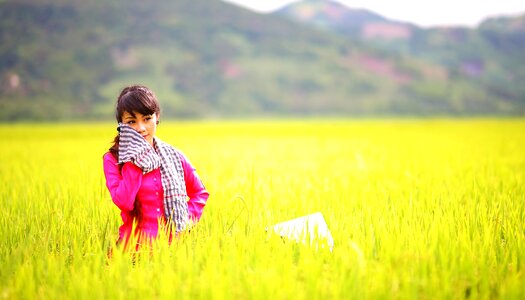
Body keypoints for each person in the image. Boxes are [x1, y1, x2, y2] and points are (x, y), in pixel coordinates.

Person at [102, 85, 209, 249]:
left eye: (146, 118)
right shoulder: (114, 159)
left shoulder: (174, 156)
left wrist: (185, 219)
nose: (140, 128)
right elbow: (124, 202)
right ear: (121, 125)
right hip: (132, 250)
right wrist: (134, 160)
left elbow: (199, 193)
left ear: (156, 117)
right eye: (131, 121)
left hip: (174, 250)